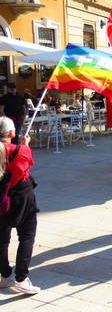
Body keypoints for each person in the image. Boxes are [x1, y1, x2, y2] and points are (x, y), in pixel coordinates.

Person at [0, 117, 40, 294]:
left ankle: (5, 275)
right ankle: (21, 278)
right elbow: (27, 163)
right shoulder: (22, 150)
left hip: (2, 199)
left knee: (1, 239)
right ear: (11, 133)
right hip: (22, 198)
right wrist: (26, 144)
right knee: (27, 237)